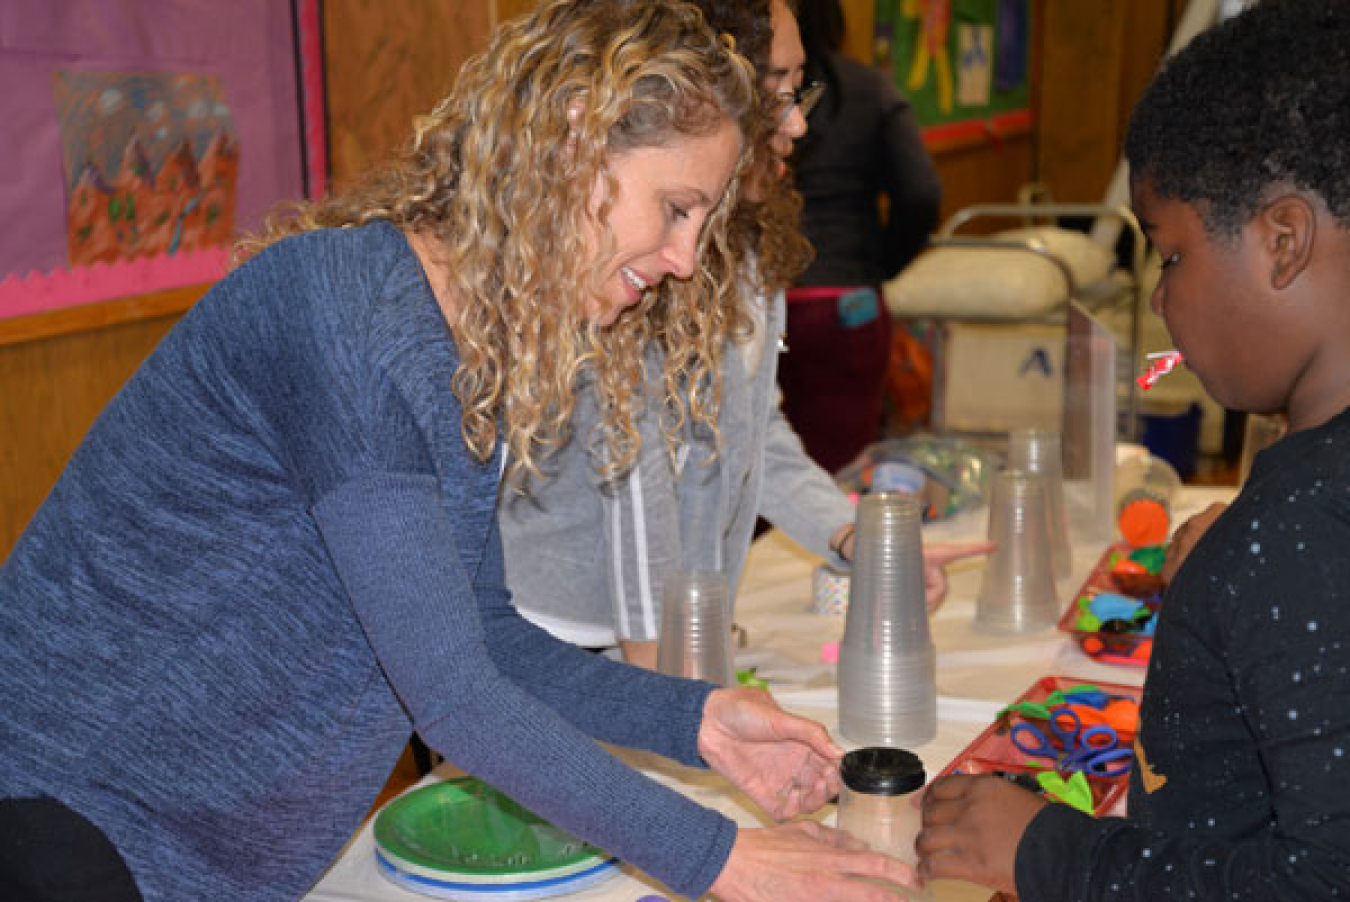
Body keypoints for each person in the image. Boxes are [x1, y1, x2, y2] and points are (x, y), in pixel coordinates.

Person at [0, 3, 921, 901]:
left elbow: (480, 639)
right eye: (675, 208)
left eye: (701, 225)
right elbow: (454, 701)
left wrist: (697, 723)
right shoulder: (346, 314)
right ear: (571, 140)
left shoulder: (468, 347)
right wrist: (723, 859)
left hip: (185, 850)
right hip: (66, 821)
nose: (683, 257)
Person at [917, 1, 1350, 897]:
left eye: (1170, 255)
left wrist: (1046, 851)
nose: (1160, 301)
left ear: (1282, 240)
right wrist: (1247, 555)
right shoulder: (1298, 521)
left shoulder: (1299, 532)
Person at [499, 0, 982, 668]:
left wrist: (852, 536)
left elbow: (755, 434)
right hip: (582, 642)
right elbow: (634, 481)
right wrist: (674, 683)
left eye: (800, 86)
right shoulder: (627, 262)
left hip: (670, 638)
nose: (799, 119)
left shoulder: (742, 247)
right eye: (775, 90)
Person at [778, 0, 941, 473]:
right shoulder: (869, 91)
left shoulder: (738, 93)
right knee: (840, 472)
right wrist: (879, 266)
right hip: (846, 307)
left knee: (760, 479)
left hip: (766, 304)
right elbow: (921, 193)